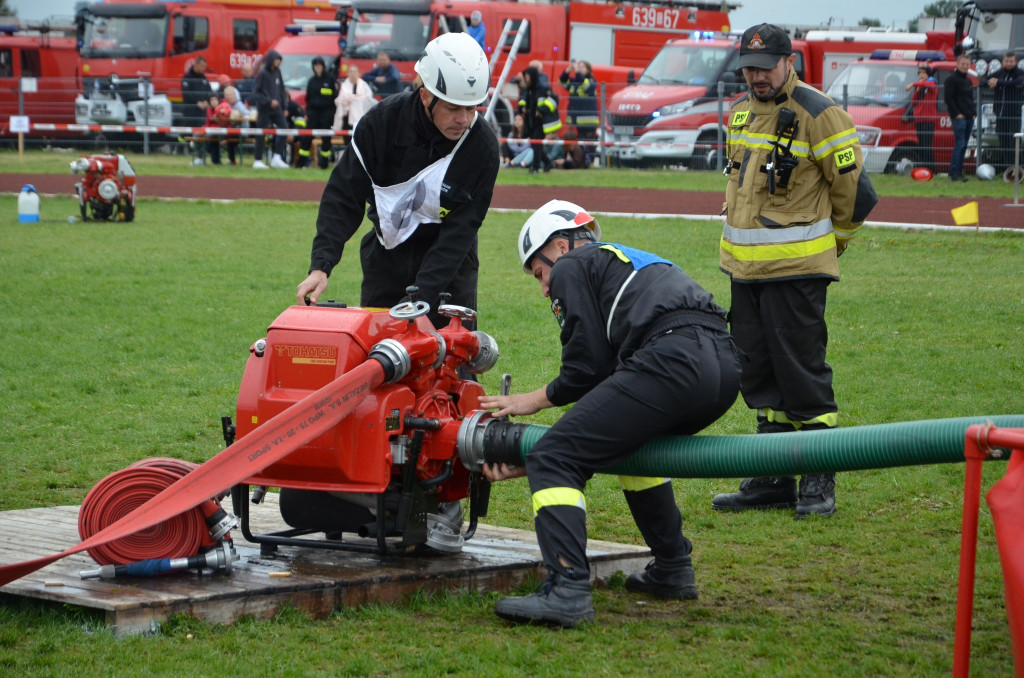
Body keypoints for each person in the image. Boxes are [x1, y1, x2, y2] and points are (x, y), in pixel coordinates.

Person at [480, 200, 741, 628]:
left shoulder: (574, 264)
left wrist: (533, 404)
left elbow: (587, 368)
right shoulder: (622, 259)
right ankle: (673, 566)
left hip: (673, 359)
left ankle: (567, 590)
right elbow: (605, 405)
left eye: (540, 274)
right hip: (723, 366)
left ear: (560, 248)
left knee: (553, 457)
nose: (545, 288)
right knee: (630, 449)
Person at [711, 23, 877, 519]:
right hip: (745, 270)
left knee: (803, 375)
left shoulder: (820, 113)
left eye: (764, 69)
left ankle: (818, 478)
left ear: (789, 62)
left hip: (798, 271)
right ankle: (773, 476)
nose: (756, 77)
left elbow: (855, 194)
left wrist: (834, 246)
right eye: (748, 69)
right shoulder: (740, 113)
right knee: (758, 375)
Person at [296, 32, 499, 333]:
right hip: (386, 260)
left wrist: (421, 298)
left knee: (449, 364)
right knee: (379, 359)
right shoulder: (381, 124)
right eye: (454, 108)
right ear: (426, 96)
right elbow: (343, 196)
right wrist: (321, 265)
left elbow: (461, 231)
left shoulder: (482, 148)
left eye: (472, 108)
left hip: (449, 268)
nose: (464, 119)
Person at [250, 49, 290, 170]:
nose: (278, 63)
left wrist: (284, 107)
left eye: (279, 61)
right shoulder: (262, 73)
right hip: (264, 109)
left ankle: (276, 158)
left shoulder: (278, 72)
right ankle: (257, 160)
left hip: (277, 109)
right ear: (271, 60)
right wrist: (268, 101)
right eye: (276, 60)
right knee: (261, 133)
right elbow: (256, 93)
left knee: (284, 129)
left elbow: (282, 91)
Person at [518, 66, 561, 174]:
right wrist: (523, 108)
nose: (526, 79)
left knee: (536, 144)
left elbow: (555, 100)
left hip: (541, 123)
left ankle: (535, 167)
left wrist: (541, 110)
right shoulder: (529, 90)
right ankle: (547, 163)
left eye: (527, 76)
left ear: (532, 77)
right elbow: (527, 103)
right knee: (535, 145)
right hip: (531, 122)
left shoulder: (543, 88)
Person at [987, 52, 1024, 171]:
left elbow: (1017, 82)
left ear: (1016, 62)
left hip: (1014, 114)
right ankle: (1007, 168)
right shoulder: (1000, 73)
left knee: (1013, 142)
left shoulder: (1020, 73)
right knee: (1003, 141)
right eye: (1006, 61)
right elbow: (983, 80)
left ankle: (1017, 168)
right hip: (1000, 114)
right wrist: (991, 81)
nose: (1008, 64)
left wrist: (998, 82)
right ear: (1003, 62)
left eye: (1011, 61)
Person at [944, 52, 976, 182]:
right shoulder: (951, 79)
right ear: (957, 64)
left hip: (969, 117)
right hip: (959, 118)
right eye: (963, 64)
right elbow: (948, 99)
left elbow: (970, 98)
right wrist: (957, 114)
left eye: (967, 64)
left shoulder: (968, 80)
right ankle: (954, 173)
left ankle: (957, 172)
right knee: (960, 144)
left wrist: (974, 113)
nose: (965, 66)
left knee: (964, 145)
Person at [304, 56, 338, 169]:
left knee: (326, 138)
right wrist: (309, 112)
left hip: (327, 113)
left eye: (320, 65)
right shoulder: (311, 81)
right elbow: (308, 98)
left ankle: (324, 163)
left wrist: (332, 112)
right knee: (307, 136)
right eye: (316, 66)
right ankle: (302, 162)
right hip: (314, 113)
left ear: (323, 67)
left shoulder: (330, 79)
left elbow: (335, 96)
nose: (318, 68)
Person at [904, 65, 938, 171]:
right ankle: (923, 168)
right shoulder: (920, 85)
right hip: (919, 119)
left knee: (927, 145)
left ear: (928, 74)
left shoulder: (932, 83)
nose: (921, 75)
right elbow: (914, 102)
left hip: (928, 119)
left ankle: (931, 169)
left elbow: (929, 84)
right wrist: (916, 90)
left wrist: (913, 84)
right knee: (921, 145)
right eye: (920, 73)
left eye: (924, 73)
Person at [181, 56, 213, 164]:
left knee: (201, 133)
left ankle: (200, 154)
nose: (204, 68)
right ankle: (186, 151)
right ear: (196, 65)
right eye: (202, 66)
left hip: (202, 113)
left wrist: (206, 101)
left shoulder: (204, 78)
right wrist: (196, 102)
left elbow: (209, 91)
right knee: (189, 132)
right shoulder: (187, 77)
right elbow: (186, 93)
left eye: (205, 66)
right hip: (190, 112)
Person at [558, 60, 599, 141]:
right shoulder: (574, 81)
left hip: (589, 119)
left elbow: (584, 84)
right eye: (578, 66)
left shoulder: (591, 80)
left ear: (588, 70)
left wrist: (576, 70)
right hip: (577, 119)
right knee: (580, 142)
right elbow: (562, 81)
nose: (579, 68)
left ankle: (590, 154)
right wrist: (568, 70)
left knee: (589, 142)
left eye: (582, 66)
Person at [333, 65, 375, 132]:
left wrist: (355, 99)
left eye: (355, 72)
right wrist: (353, 98)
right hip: (346, 114)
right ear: (348, 73)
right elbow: (341, 98)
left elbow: (368, 97)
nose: (353, 74)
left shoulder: (363, 85)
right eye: (351, 72)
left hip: (361, 114)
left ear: (358, 73)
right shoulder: (344, 85)